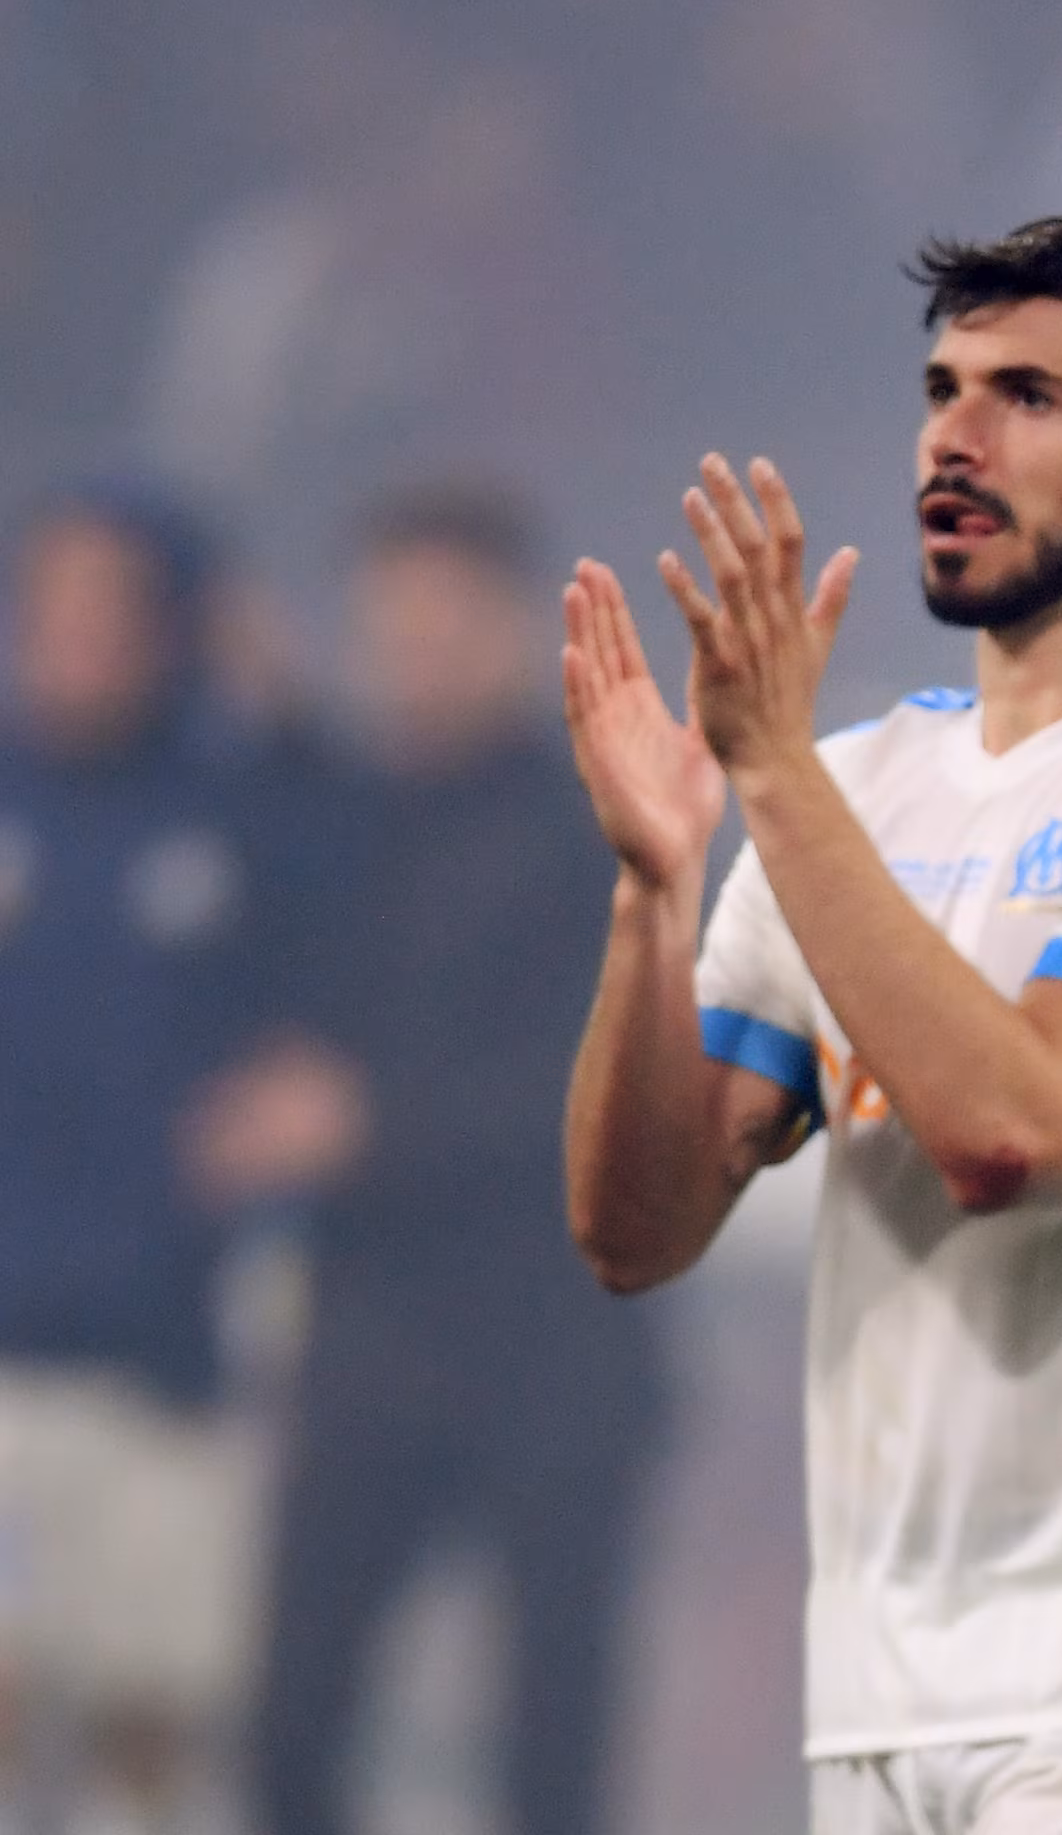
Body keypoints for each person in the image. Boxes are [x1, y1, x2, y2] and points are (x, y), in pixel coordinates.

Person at [559, 217, 1062, 1835]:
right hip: (882, 1703)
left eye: (1027, 396)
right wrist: (656, 891)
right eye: (941, 390)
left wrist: (774, 780)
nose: (954, 438)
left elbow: (1015, 1133)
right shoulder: (856, 783)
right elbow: (636, 1229)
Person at [239, 482, 664, 1835]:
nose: (412, 652)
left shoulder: (598, 823)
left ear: (515, 632)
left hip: (557, 1340)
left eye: (442, 622)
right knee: (292, 1718)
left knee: (551, 1738)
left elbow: (600, 1078)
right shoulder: (337, 821)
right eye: (389, 626)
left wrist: (371, 1125)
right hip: (369, 1331)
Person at [0, 486, 293, 1835]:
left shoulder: (241, 810)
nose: (76, 637)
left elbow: (355, 958)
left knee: (148, 1732)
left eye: (110, 608)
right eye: (51, 605)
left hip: (169, 1359)